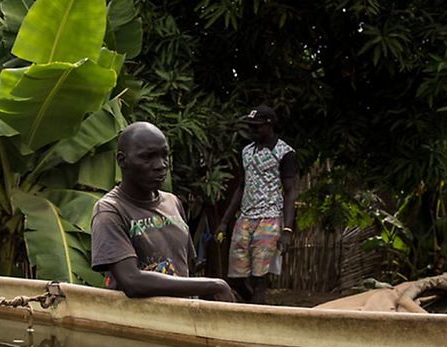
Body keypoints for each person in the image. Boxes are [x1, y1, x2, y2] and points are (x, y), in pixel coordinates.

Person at [90, 122, 233, 301]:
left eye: (164, 156)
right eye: (147, 157)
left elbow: (186, 266)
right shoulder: (110, 211)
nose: (160, 165)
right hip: (142, 323)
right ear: (122, 160)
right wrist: (214, 286)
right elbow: (131, 281)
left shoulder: (172, 203)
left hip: (182, 318)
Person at [216, 105, 298, 304]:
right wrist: (225, 222)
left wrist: (287, 229)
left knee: (260, 277)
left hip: (270, 217)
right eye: (250, 127)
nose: (252, 130)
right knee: (235, 277)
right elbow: (241, 187)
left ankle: (255, 313)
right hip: (245, 217)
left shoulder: (284, 152)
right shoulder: (246, 151)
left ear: (270, 125)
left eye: (257, 127)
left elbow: (290, 192)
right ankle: (255, 307)